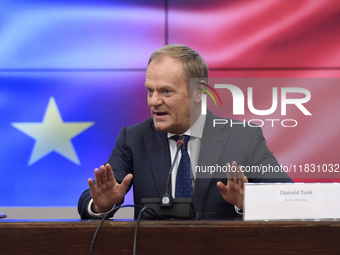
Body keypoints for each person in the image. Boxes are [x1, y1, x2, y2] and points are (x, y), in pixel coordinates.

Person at [78, 44, 292, 220]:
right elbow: (93, 197)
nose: (154, 101)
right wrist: (99, 206)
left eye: (166, 91)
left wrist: (249, 204)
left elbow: (287, 198)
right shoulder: (133, 139)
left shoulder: (243, 137)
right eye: (150, 91)